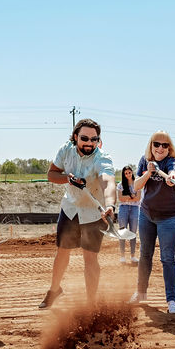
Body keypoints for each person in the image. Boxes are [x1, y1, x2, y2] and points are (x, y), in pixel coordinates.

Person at [39, 119, 117, 308]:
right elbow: (51, 174)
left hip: (93, 212)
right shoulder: (66, 150)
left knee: (90, 257)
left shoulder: (102, 158)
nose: (89, 143)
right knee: (62, 253)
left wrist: (110, 205)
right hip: (70, 208)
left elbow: (108, 182)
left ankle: (91, 303)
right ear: (75, 137)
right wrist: (67, 178)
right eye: (84, 138)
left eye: (94, 139)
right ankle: (54, 290)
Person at [130, 131, 175, 313]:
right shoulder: (144, 161)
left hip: (169, 216)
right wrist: (148, 173)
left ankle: (171, 301)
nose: (160, 148)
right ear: (151, 145)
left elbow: (173, 175)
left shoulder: (172, 162)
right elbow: (136, 186)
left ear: (170, 148)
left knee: (168, 257)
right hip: (146, 214)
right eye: (156, 144)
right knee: (145, 254)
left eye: (164, 145)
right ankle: (140, 292)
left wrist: (171, 177)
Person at [116, 165, 141, 263]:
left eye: (129, 172)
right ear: (124, 174)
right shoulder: (121, 184)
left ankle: (133, 256)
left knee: (133, 232)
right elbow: (120, 198)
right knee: (122, 232)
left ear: (132, 172)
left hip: (135, 208)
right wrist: (132, 197)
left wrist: (127, 197)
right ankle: (122, 256)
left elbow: (138, 198)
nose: (128, 175)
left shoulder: (137, 183)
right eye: (126, 173)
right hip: (123, 208)